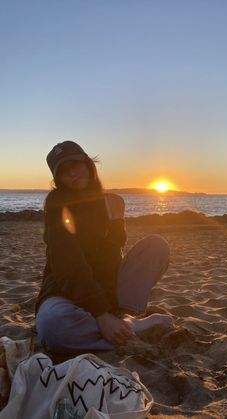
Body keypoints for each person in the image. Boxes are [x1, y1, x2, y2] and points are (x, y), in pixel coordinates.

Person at [35, 140, 172, 356]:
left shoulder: (109, 202)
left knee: (156, 245)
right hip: (64, 292)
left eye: (76, 165)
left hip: (108, 290)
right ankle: (132, 328)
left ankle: (125, 319)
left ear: (88, 164)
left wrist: (117, 220)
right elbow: (67, 263)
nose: (72, 173)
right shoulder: (57, 206)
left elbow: (113, 251)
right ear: (57, 178)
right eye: (64, 171)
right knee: (55, 329)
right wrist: (101, 315)